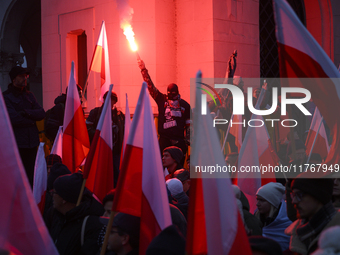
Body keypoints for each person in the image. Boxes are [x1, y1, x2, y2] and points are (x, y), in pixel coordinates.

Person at [138, 59, 191, 162]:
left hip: (179, 141)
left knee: (178, 166)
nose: (171, 99)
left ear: (177, 93)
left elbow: (189, 124)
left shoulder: (185, 105)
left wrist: (188, 139)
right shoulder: (162, 99)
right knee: (161, 165)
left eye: (173, 96)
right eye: (169, 95)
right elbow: (150, 87)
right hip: (164, 140)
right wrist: (143, 69)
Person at [3, 66, 45, 188]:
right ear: (13, 79)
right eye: (21, 76)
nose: (25, 79)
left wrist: (25, 112)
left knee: (31, 175)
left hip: (32, 142)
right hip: (16, 143)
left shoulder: (29, 95)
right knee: (18, 176)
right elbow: (13, 118)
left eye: (25, 76)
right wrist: (31, 119)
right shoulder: (6, 97)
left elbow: (41, 113)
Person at [48, 172, 104, 255]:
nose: (51, 195)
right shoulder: (56, 216)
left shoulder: (90, 224)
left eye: (55, 192)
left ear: (64, 198)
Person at [285, 176, 340, 254]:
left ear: (318, 195)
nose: (294, 201)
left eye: (299, 195)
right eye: (293, 195)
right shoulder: (298, 232)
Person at [86, 91, 125, 187]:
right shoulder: (95, 112)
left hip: (115, 151)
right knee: (100, 174)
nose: (110, 101)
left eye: (112, 99)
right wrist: (100, 135)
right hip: (100, 150)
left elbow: (124, 132)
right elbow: (87, 129)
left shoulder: (120, 115)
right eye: (108, 98)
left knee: (116, 174)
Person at [255, 182, 292, 251]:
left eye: (262, 200)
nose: (257, 204)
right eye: (257, 199)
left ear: (272, 202)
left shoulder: (288, 220)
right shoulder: (254, 218)